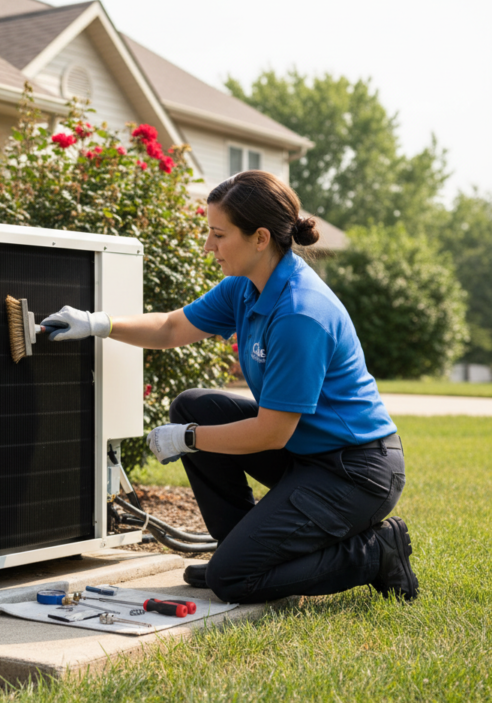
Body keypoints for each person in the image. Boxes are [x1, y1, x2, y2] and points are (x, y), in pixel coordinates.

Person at [41, 170, 418, 605]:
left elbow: (271, 433)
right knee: (193, 406)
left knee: (233, 581)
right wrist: (98, 323)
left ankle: (375, 552)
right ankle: (242, 547)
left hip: (353, 473)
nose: (208, 246)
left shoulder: (300, 314)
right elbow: (169, 327)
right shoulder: (244, 288)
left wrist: (187, 439)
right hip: (306, 455)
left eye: (218, 235)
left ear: (260, 238)